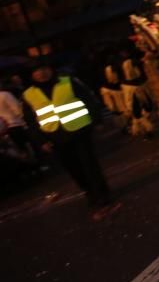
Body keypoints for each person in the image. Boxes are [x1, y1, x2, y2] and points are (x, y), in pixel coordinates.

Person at [21, 58, 119, 219]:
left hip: (79, 130)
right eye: (37, 71)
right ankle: (89, 193)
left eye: (44, 68)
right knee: (74, 169)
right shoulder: (28, 95)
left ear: (51, 69)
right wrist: (41, 141)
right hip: (55, 136)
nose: (42, 73)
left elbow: (88, 99)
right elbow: (30, 121)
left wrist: (97, 120)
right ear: (31, 75)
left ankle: (102, 194)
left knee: (89, 164)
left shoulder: (68, 81)